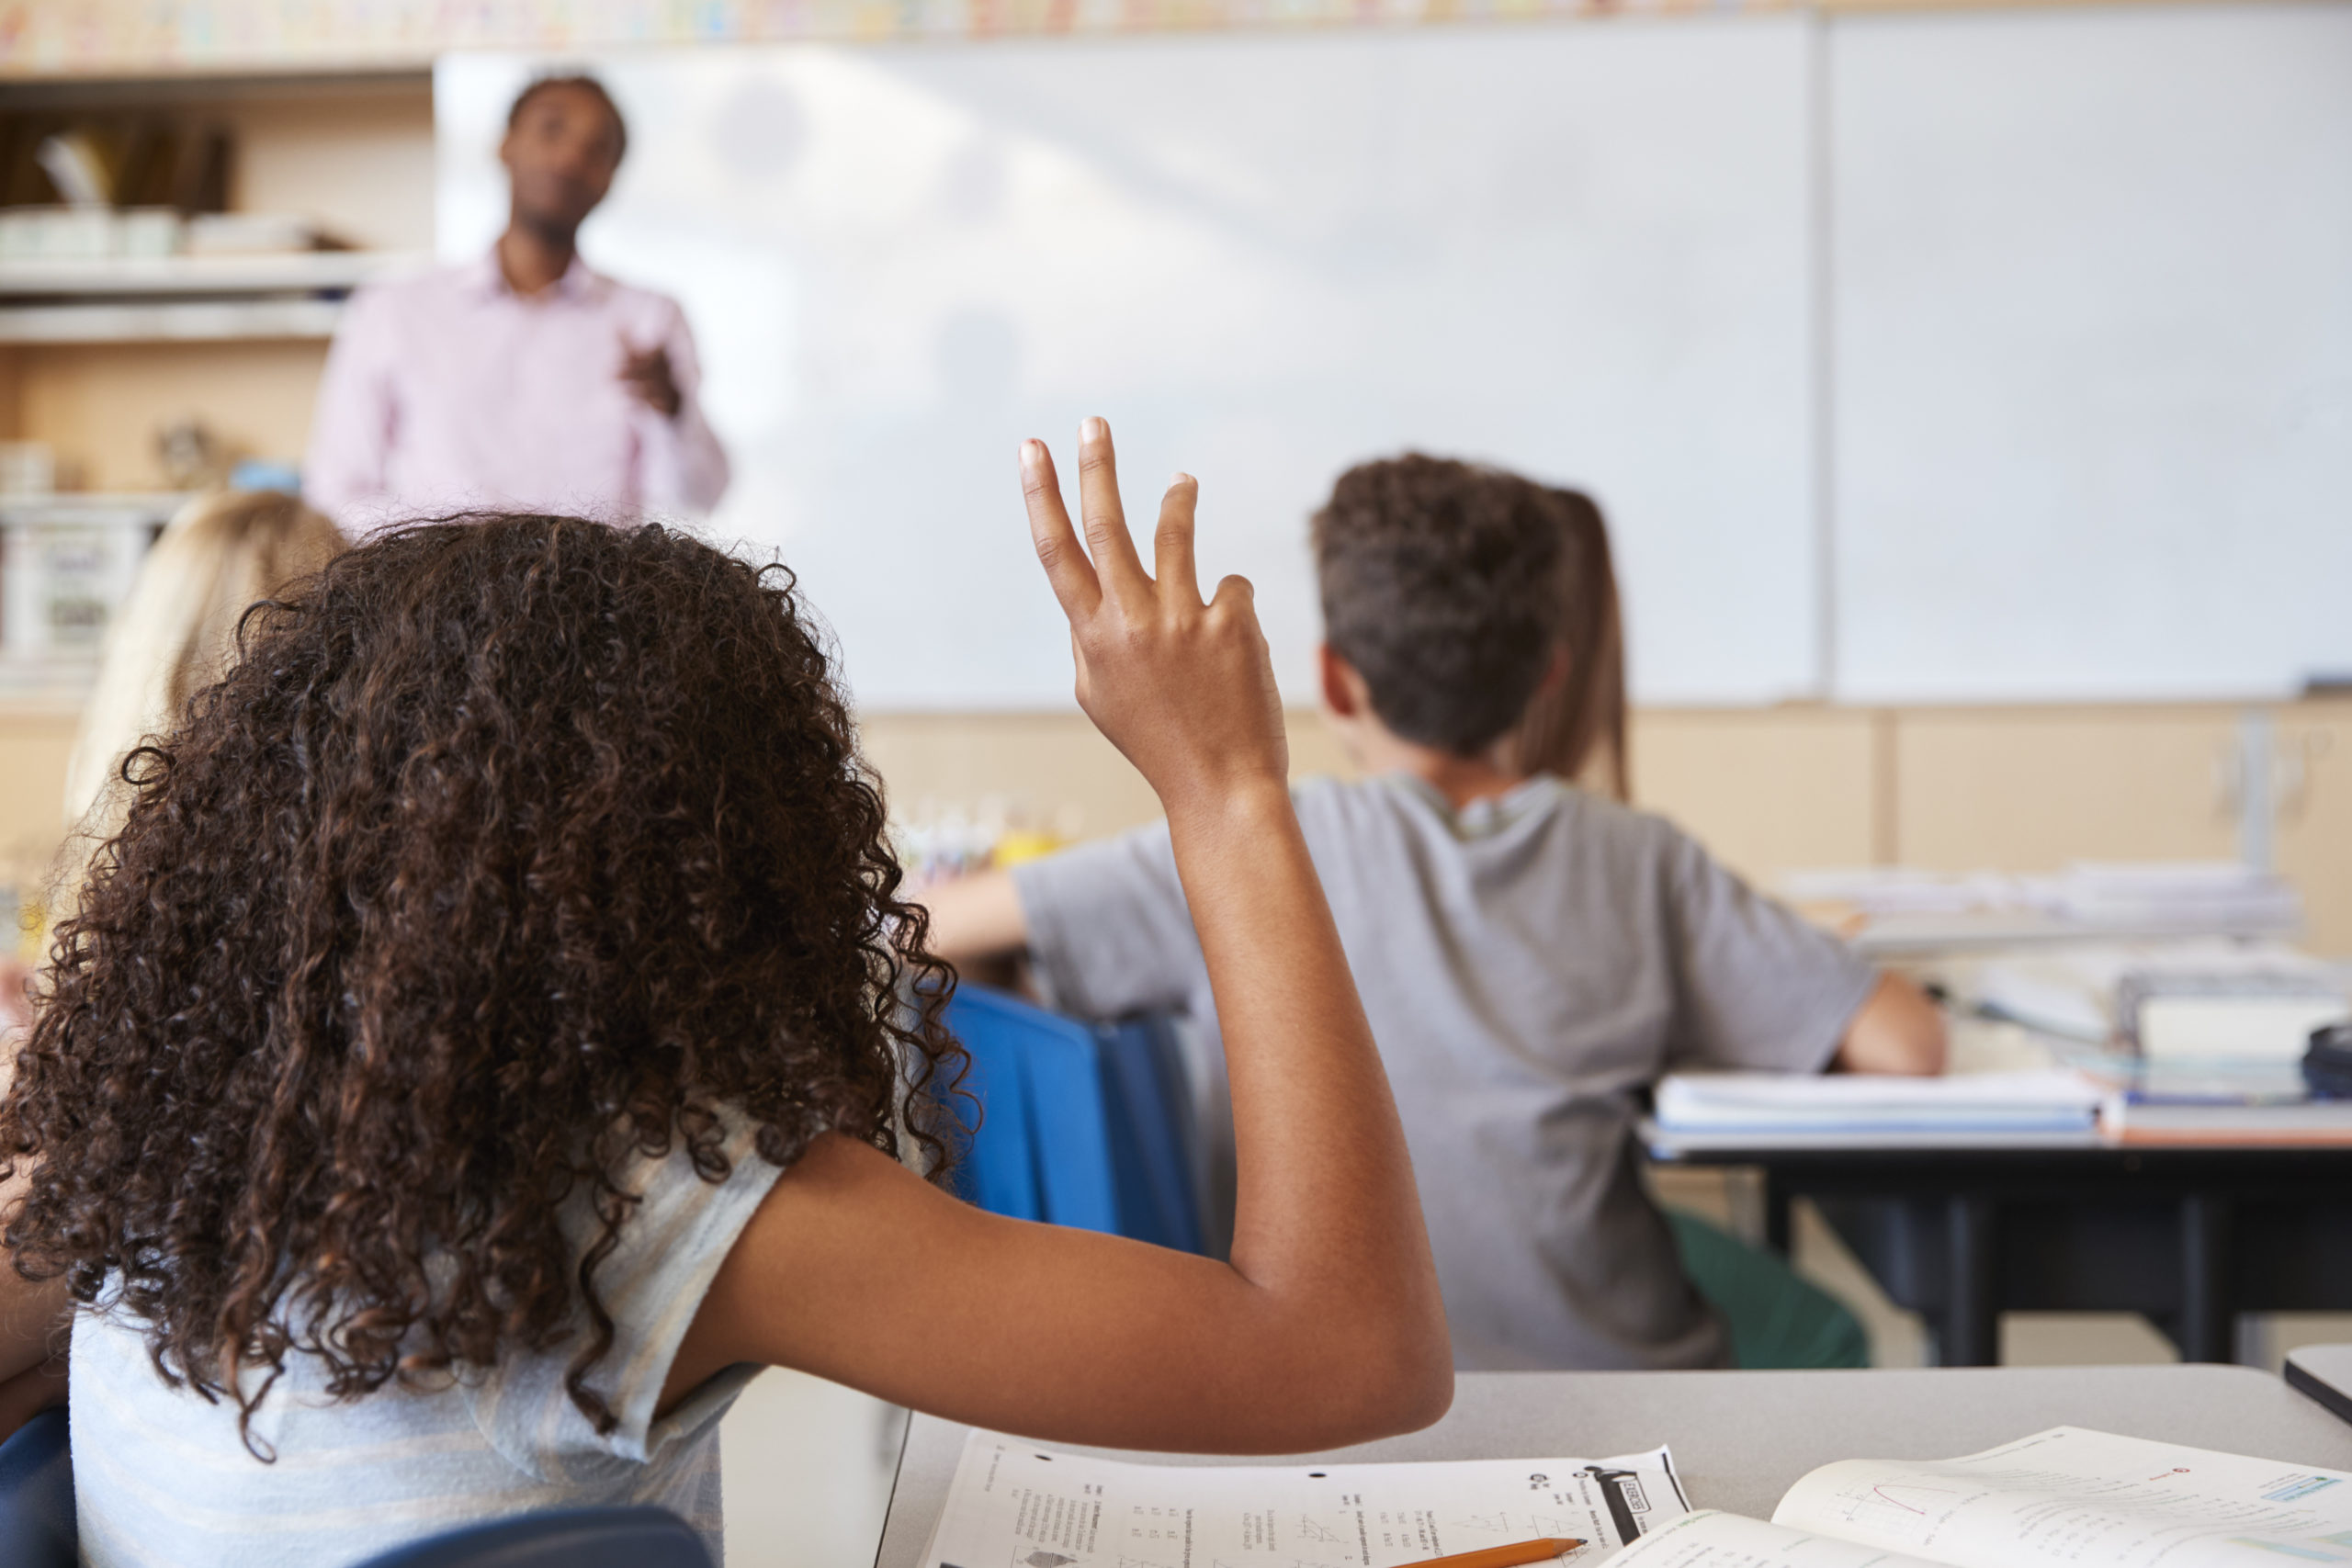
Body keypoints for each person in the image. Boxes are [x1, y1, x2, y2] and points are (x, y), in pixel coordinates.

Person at [0, 420, 1449, 1564]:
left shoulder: (145, 1164)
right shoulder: (647, 1207)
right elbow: (1349, 1353)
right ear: (722, 862)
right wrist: (1228, 788)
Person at [924, 453, 1947, 1373]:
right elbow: (1905, 1045)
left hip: (1322, 1373)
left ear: (1329, 679)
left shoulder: (1251, 844)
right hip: (1611, 1370)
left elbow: (927, 925)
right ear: (1548, 673)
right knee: (1824, 1328)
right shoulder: (1638, 859)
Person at [304, 74, 730, 531]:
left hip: (600, 599)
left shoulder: (648, 320)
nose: (570, 158)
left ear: (610, 180)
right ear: (505, 145)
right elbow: (336, 490)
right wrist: (440, 563)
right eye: (552, 129)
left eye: (596, 149)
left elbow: (700, 497)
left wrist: (672, 411)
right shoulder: (393, 310)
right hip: (433, 596)